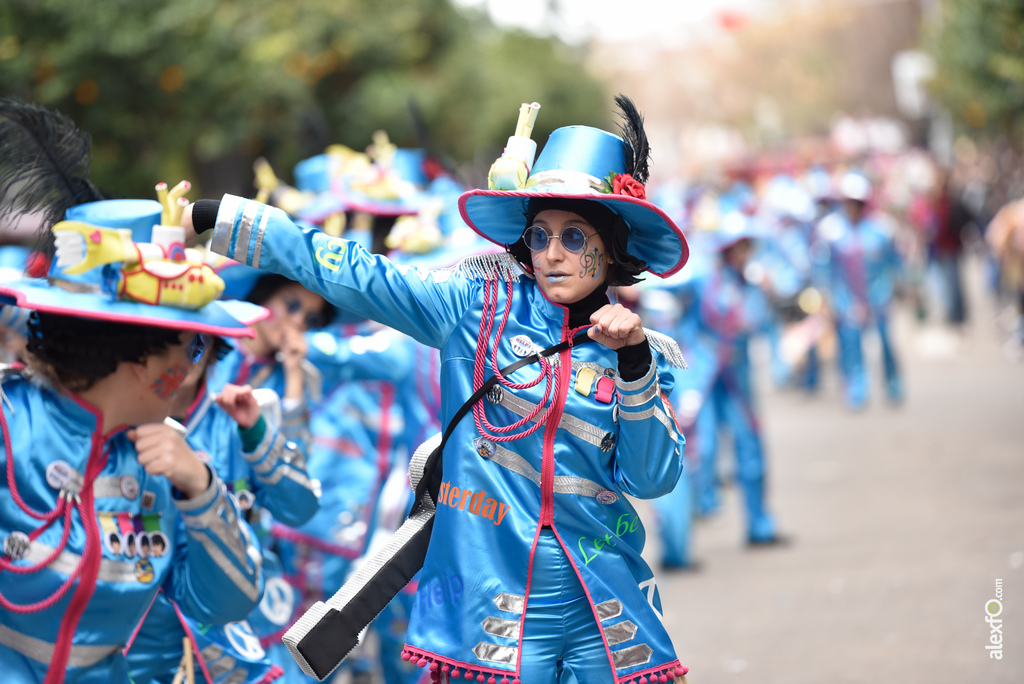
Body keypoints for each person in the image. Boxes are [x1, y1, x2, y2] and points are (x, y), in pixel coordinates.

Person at [186, 97, 691, 684]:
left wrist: (631, 363)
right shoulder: (471, 307)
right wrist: (234, 221)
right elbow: (350, 271)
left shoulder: (645, 354)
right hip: (489, 603)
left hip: (605, 605)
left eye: (575, 238)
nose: (552, 254)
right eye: (539, 234)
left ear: (614, 248)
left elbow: (652, 479)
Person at [0, 197, 266, 683]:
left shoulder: (171, 464)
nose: (194, 368)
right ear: (144, 360)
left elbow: (227, 601)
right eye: (194, 347)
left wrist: (203, 490)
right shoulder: (8, 418)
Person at [815, 171, 905, 410]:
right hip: (846, 297)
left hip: (878, 295)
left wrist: (897, 286)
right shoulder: (831, 231)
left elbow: (894, 261)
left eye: (857, 202)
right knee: (851, 344)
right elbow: (823, 269)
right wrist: (830, 299)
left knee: (885, 341)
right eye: (848, 202)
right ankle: (856, 388)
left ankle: (893, 384)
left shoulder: (880, 228)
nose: (852, 207)